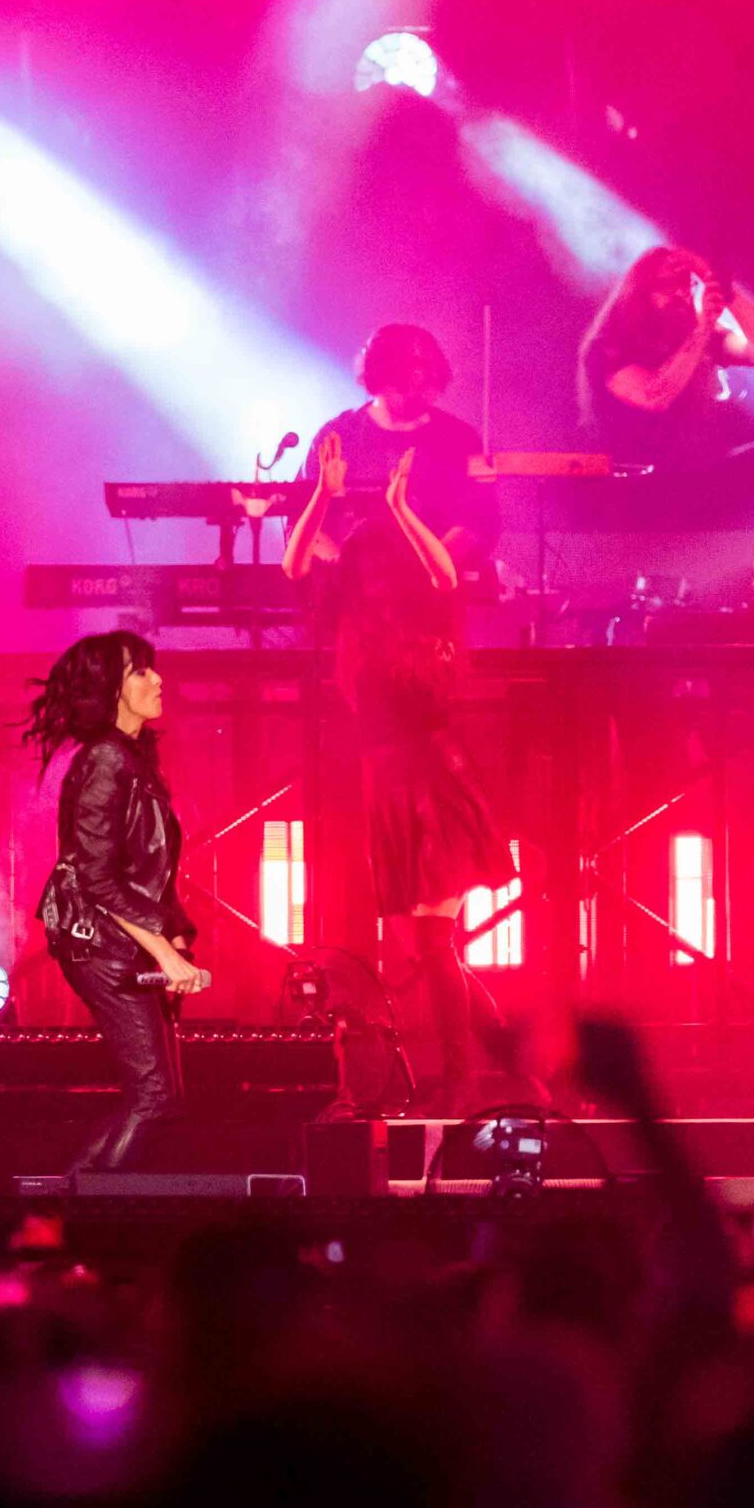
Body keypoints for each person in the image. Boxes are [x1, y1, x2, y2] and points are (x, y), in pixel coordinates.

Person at [285, 445, 516, 1113]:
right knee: (427, 944)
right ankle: (502, 1063)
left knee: (435, 942)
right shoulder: (349, 616)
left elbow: (443, 572)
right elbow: (295, 564)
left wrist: (400, 509)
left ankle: (465, 1080)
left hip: (432, 776)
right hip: (387, 779)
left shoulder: (433, 606)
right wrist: (323, 495)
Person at [26, 631, 209, 1172]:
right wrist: (166, 954)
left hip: (120, 942)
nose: (158, 680)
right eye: (141, 672)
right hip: (97, 943)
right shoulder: (106, 759)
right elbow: (97, 878)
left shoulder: (131, 758)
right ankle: (86, 1202)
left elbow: (148, 871)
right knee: (153, 1095)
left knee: (160, 1096)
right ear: (112, 688)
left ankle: (76, 1190)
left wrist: (174, 938)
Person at [577, 245, 754, 523]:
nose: (680, 294)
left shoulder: (697, 335)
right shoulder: (609, 347)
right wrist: (702, 330)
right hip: (635, 486)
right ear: (639, 293)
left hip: (695, 477)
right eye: (667, 285)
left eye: (686, 285)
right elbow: (655, 395)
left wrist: (723, 290)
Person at [292, 323, 497, 569]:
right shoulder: (338, 437)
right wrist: (343, 570)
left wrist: (424, 573)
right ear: (380, 379)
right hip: (351, 588)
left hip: (433, 586)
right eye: (408, 385)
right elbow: (302, 519)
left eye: (427, 386)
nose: (420, 393)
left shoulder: (460, 440)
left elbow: (477, 521)